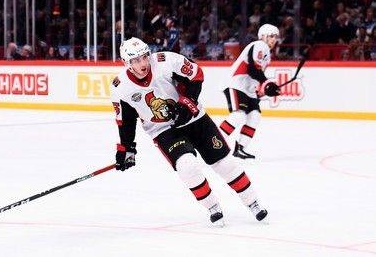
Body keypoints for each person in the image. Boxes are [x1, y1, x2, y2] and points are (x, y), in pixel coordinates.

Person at [110, 37, 268, 226]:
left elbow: (196, 74)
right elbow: (125, 121)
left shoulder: (166, 61)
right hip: (163, 130)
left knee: (224, 163)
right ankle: (212, 206)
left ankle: (253, 202)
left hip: (195, 118)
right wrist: (126, 149)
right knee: (187, 166)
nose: (143, 63)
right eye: (136, 60)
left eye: (144, 57)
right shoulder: (120, 87)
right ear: (127, 63)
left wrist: (188, 102)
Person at [219, 24, 281, 159]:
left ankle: (240, 148)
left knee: (254, 116)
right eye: (271, 36)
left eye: (275, 37)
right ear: (263, 36)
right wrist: (267, 83)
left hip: (248, 89)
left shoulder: (267, 53)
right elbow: (252, 69)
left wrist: (262, 90)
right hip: (236, 84)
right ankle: (213, 143)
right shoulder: (260, 45)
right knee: (239, 115)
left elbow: (255, 74)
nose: (273, 39)